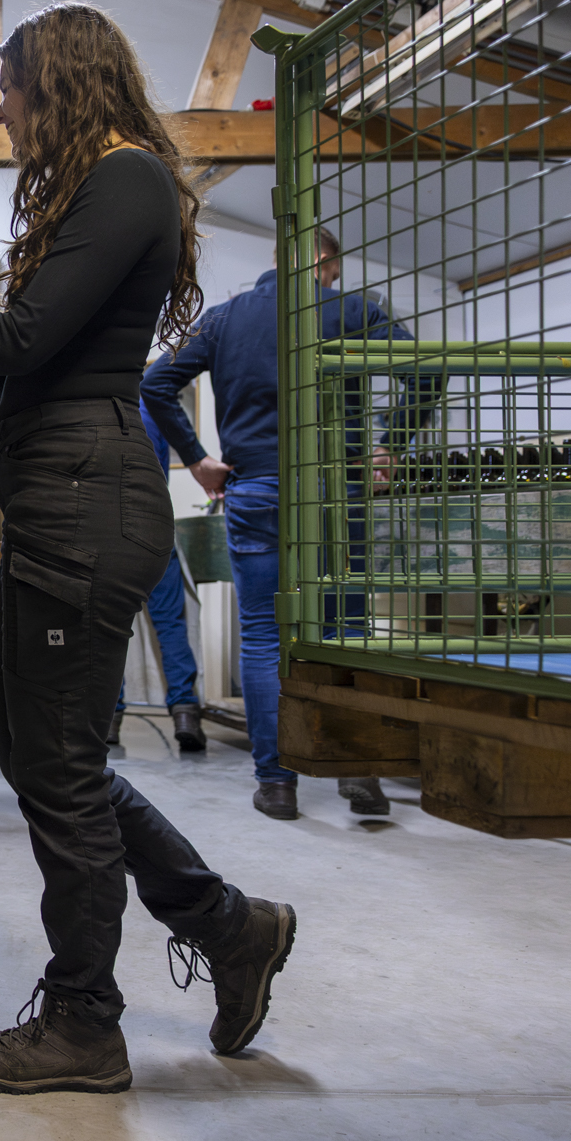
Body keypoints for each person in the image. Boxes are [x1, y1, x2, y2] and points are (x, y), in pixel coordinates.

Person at [0, 3, 294, 1094]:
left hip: (87, 507)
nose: (2, 106)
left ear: (64, 82)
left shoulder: (124, 180)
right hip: (67, 499)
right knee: (43, 758)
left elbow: (19, 342)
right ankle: (230, 927)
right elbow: (15, 368)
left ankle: (85, 1021)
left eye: (14, 85)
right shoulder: (109, 185)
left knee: (59, 772)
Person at [142, 227, 428, 821]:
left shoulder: (225, 319)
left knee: (265, 638)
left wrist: (197, 458)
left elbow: (156, 382)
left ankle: (277, 784)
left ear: (277, 261)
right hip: (333, 493)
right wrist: (388, 445)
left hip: (258, 491)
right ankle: (358, 773)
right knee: (345, 633)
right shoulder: (350, 309)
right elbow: (425, 373)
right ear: (328, 264)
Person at [108, 403, 206, 754]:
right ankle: (185, 712)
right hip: (156, 527)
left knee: (109, 626)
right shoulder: (154, 411)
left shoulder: (104, 408)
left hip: (112, 532)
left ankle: (109, 719)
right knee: (170, 625)